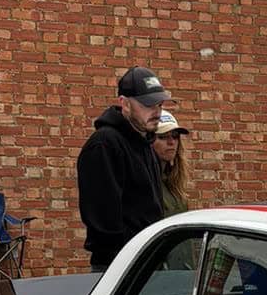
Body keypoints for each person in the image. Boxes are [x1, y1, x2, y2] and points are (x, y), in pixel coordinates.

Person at [76, 65, 167, 269]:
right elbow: (103, 221)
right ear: (124, 104)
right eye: (148, 105)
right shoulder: (105, 145)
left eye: (160, 105)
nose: (156, 112)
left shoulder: (145, 143)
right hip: (118, 268)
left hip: (148, 263)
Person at [151, 110, 191, 216]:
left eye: (175, 136)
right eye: (163, 136)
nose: (171, 142)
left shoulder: (174, 183)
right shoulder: (146, 183)